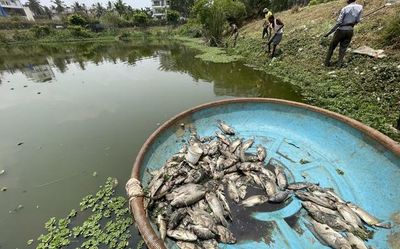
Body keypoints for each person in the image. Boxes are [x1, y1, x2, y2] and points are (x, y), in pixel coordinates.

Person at [324, 0, 363, 67]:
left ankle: (326, 63)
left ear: (348, 1)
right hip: (350, 30)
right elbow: (357, 21)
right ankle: (339, 64)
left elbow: (339, 23)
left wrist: (329, 33)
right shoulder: (360, 7)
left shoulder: (345, 9)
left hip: (341, 30)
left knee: (332, 46)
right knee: (343, 48)